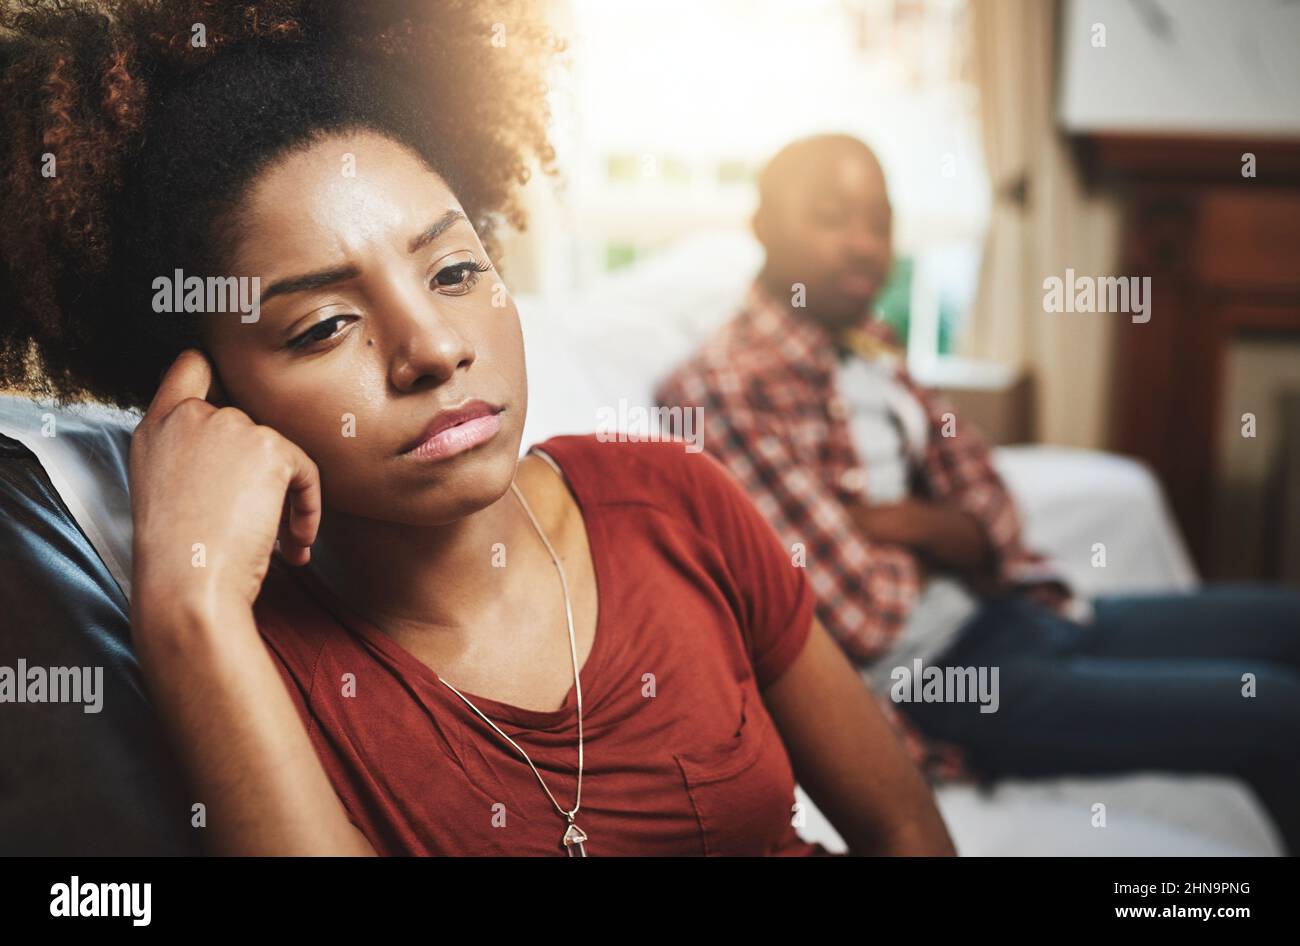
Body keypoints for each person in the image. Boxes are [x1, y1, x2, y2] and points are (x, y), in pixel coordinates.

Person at [0, 3, 954, 856]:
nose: (433, 347)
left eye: (456, 271)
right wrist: (190, 611)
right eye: (326, 325)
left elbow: (903, 827)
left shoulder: (676, 499)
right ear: (212, 398)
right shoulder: (257, 670)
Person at [655, 133, 1300, 854]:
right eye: (832, 217)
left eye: (881, 220)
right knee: (1276, 710)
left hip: (1024, 607)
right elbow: (860, 613)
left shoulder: (872, 344)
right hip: (947, 680)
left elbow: (992, 505)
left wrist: (912, 526)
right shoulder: (724, 386)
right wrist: (952, 536)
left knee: (1288, 620)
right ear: (764, 226)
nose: (866, 245)